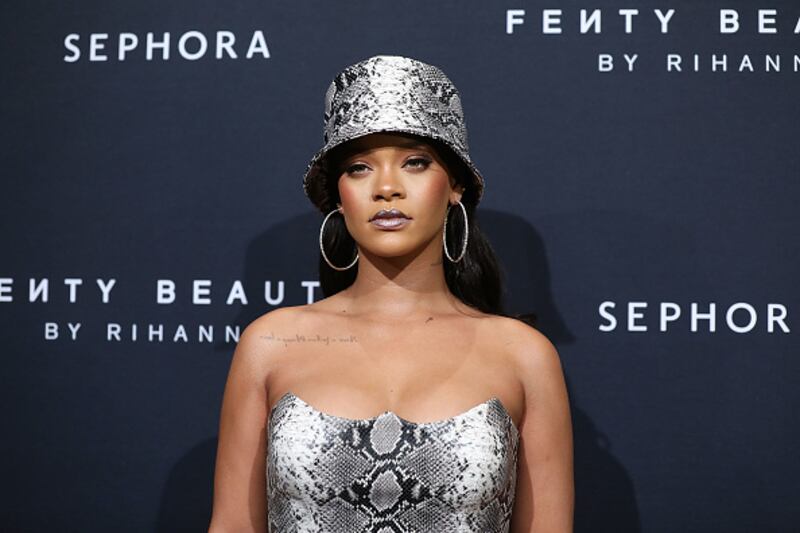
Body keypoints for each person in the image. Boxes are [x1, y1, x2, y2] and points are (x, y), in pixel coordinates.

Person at [208, 54, 573, 532]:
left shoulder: (524, 356)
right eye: (359, 167)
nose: (386, 188)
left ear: (456, 186)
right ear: (339, 196)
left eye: (415, 163)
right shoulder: (270, 344)